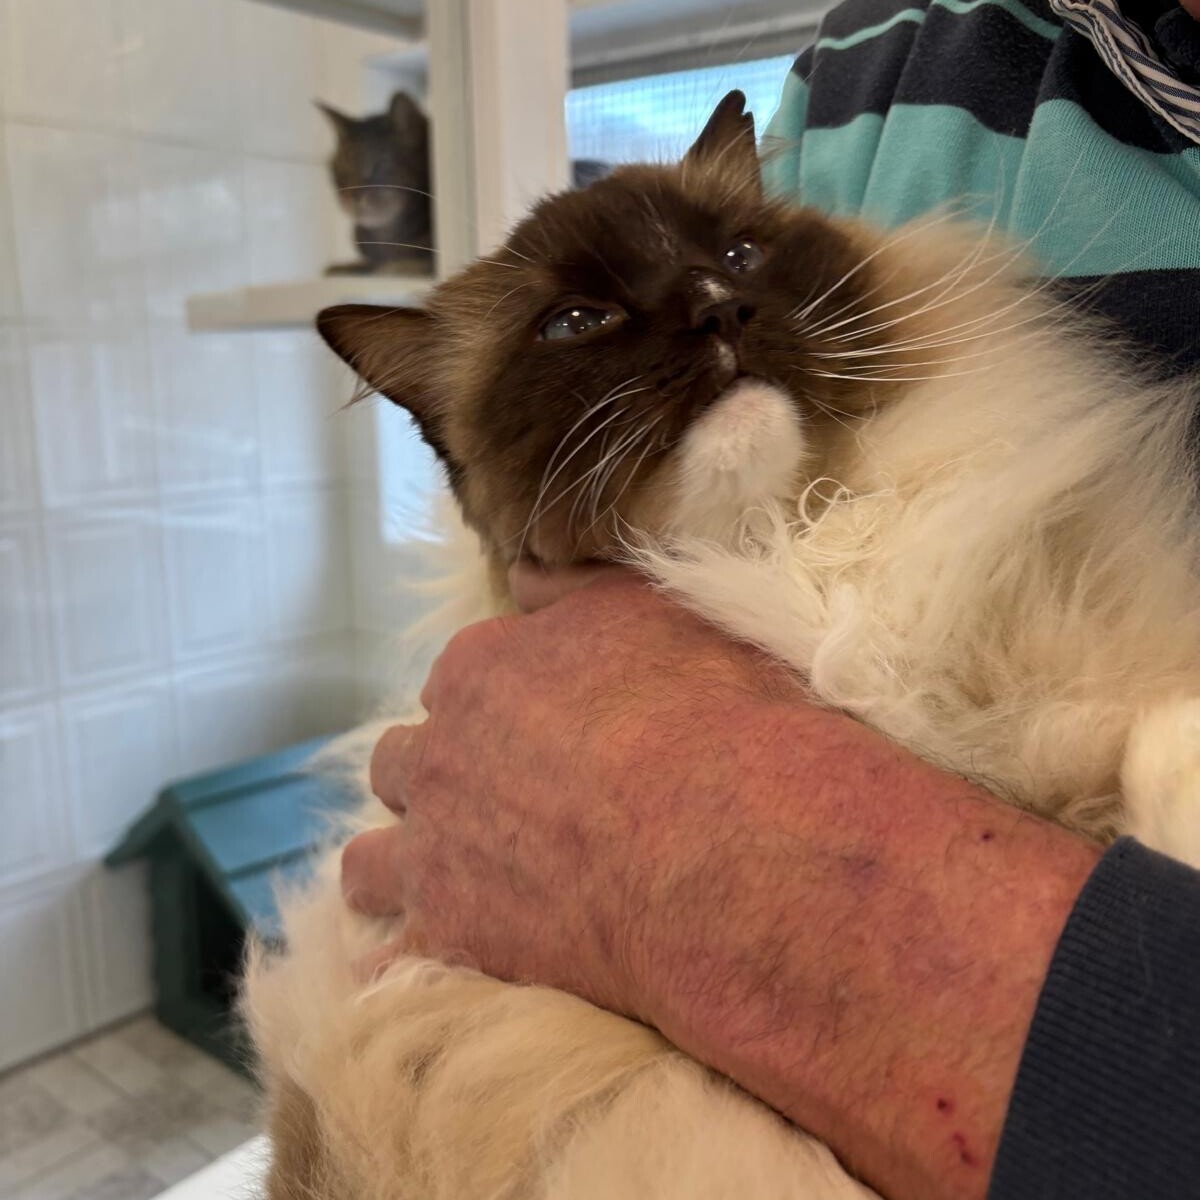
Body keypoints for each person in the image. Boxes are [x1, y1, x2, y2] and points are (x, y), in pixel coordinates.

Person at [342, 0, 1200, 1196]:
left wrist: (751, 870)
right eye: (582, 320)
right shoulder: (883, 53)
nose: (709, 304)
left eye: (739, 257)